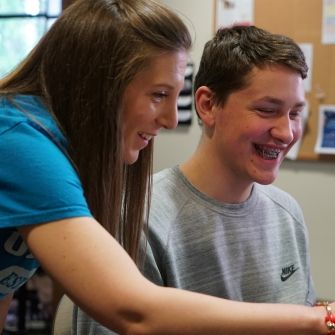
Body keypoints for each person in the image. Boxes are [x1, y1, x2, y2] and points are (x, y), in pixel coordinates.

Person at [72, 25, 335, 334]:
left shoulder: (287, 214)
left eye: (294, 113)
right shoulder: (138, 220)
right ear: (208, 105)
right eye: (267, 110)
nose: (286, 133)